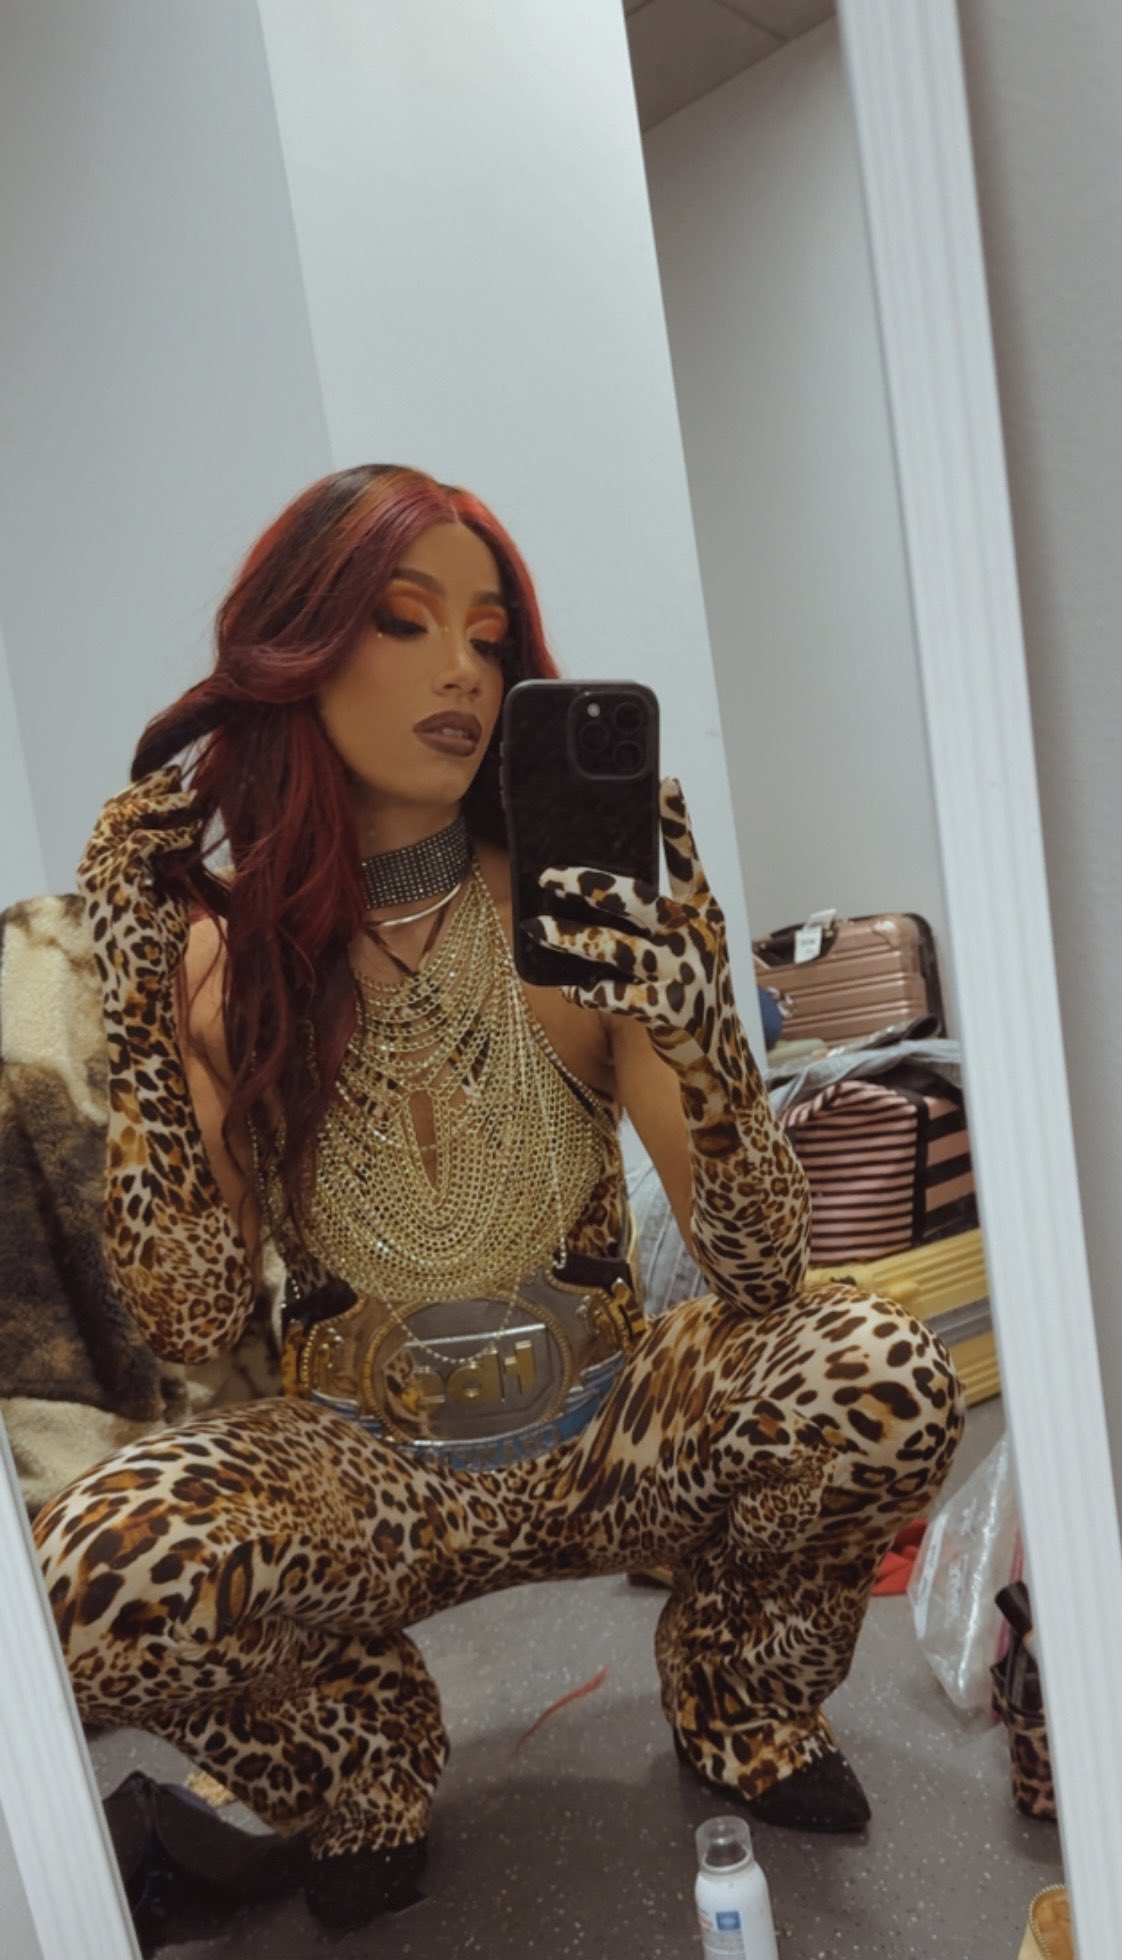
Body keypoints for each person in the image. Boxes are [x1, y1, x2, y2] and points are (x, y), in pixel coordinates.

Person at [33, 463, 964, 1935]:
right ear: (296, 654)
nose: (463, 670)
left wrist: (702, 1030)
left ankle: (737, 1695)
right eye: (405, 623)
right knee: (92, 1575)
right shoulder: (228, 965)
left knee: (879, 1370)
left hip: (608, 1430)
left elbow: (764, 1269)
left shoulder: (572, 927)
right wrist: (141, 1016)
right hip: (365, 1472)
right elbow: (189, 1317)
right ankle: (360, 1757)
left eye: (488, 635)